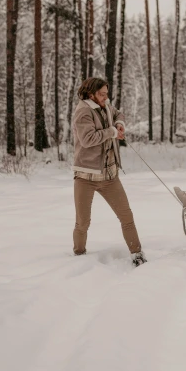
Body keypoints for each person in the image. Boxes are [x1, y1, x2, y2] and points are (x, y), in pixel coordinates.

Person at [72, 77, 146, 266]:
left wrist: (119, 124)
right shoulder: (83, 112)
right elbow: (88, 139)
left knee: (126, 216)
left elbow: (118, 113)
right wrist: (112, 132)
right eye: (102, 94)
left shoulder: (105, 105)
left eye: (107, 94)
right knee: (83, 222)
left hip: (110, 176)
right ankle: (78, 255)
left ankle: (137, 254)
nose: (106, 97)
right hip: (86, 177)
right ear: (91, 94)